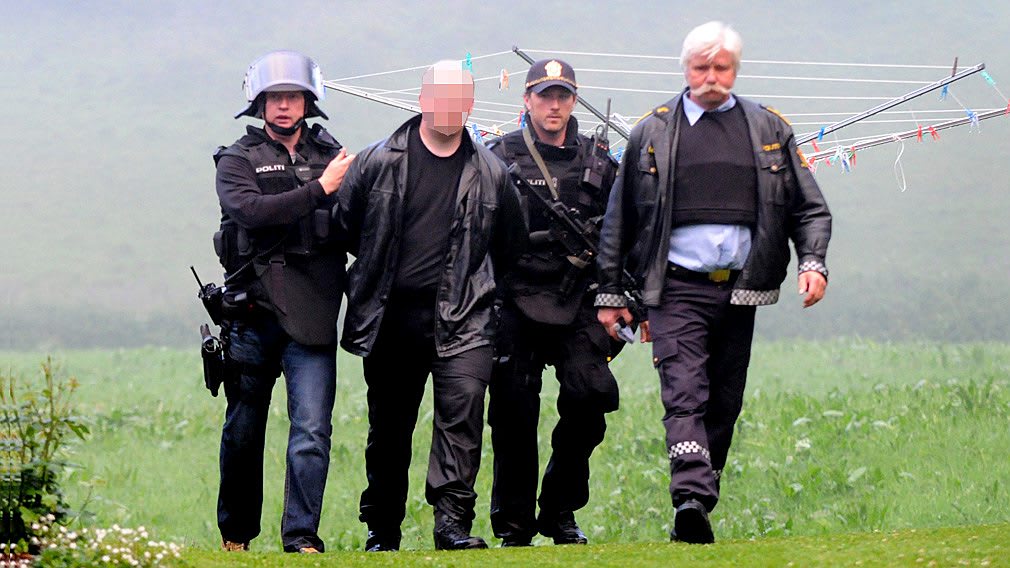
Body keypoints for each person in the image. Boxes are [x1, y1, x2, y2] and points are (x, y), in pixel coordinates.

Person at [595, 21, 831, 544]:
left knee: (724, 400)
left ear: (735, 70)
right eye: (701, 67)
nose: (711, 77)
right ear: (685, 69)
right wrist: (610, 295)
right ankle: (690, 497)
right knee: (684, 392)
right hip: (674, 288)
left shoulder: (769, 129)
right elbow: (618, 220)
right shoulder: (651, 133)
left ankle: (702, 497)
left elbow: (809, 208)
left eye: (721, 68)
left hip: (742, 290)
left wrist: (812, 262)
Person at [332, 60, 527, 552]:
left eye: (458, 98)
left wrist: (481, 292)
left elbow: (510, 246)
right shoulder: (377, 161)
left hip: (466, 317)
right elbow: (346, 228)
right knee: (389, 429)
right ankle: (383, 530)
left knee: (462, 418)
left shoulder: (493, 173)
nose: (448, 106)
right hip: (391, 319)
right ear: (422, 100)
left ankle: (452, 526)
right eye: (440, 96)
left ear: (470, 106)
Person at [212, 50, 355, 554]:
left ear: (308, 102)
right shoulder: (236, 159)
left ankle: (301, 537)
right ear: (259, 103)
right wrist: (321, 189)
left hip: (313, 312)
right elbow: (251, 212)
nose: (284, 106)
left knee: (312, 429)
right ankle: (236, 535)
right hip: (252, 312)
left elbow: (358, 223)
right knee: (244, 430)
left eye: (293, 96)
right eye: (274, 97)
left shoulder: (333, 154)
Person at [485, 58, 620, 547]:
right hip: (515, 299)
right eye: (545, 96)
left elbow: (623, 231)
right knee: (513, 413)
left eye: (563, 95)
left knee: (591, 397)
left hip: (579, 298)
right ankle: (514, 523)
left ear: (574, 100)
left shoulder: (599, 161)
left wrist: (623, 297)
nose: (554, 105)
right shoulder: (498, 158)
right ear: (527, 100)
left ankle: (560, 508)